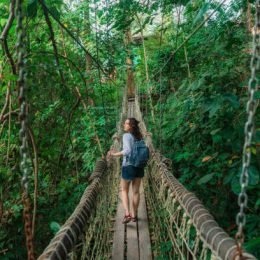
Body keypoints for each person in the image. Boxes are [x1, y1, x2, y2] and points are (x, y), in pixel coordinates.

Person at [108, 117, 144, 224]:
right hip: (139, 166)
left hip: (128, 166)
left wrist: (114, 154)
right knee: (136, 192)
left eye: (126, 123)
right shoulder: (140, 136)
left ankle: (127, 214)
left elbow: (127, 150)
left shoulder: (126, 135)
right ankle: (134, 216)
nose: (124, 125)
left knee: (124, 190)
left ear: (131, 126)